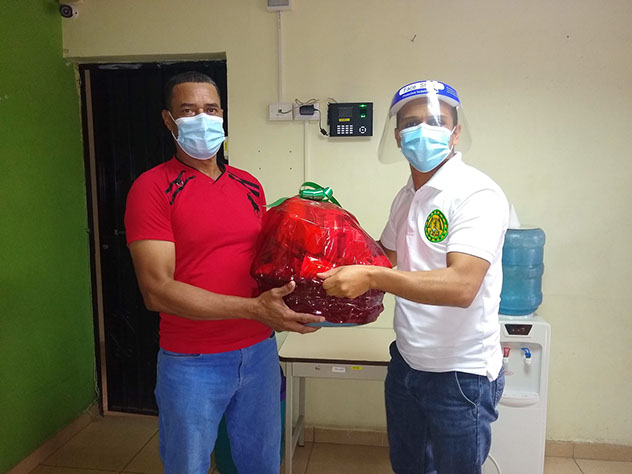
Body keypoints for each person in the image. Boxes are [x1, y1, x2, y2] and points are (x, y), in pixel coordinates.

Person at [124, 71, 324, 474]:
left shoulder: (249, 185)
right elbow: (157, 290)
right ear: (169, 120)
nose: (203, 118)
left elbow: (264, 263)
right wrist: (254, 309)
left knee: (261, 464)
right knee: (188, 466)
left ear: (222, 115)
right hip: (192, 361)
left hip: (259, 353)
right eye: (189, 110)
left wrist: (315, 269)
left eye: (211, 109)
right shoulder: (152, 188)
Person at [318, 80, 508, 473]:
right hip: (407, 362)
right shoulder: (406, 196)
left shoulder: (476, 194)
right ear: (397, 136)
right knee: (408, 466)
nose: (423, 131)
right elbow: (382, 257)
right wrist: (325, 232)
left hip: (461, 374)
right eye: (411, 123)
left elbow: (462, 286)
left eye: (436, 121)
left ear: (455, 132)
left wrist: (371, 277)